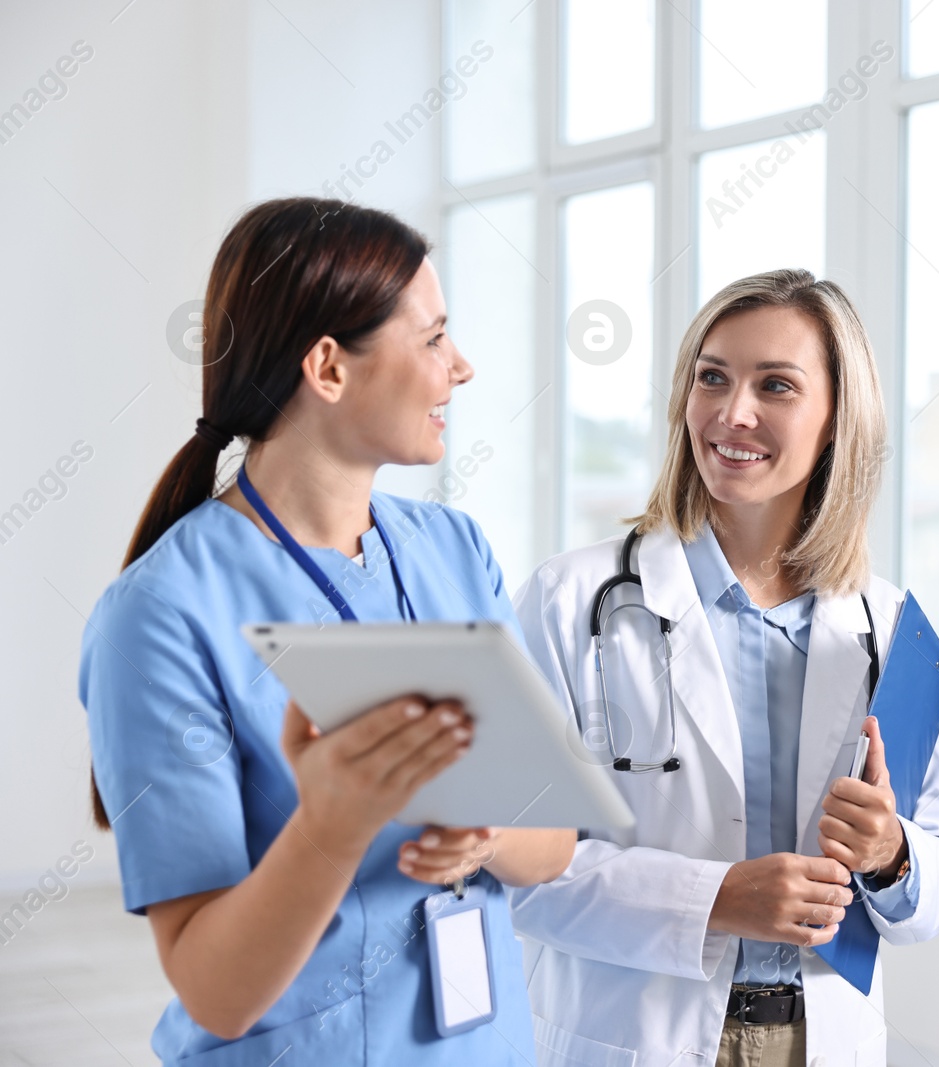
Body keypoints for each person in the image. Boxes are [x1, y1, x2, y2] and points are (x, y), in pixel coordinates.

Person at [79, 197, 574, 1064]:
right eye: (432, 339)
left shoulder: (454, 548)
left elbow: (554, 841)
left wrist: (487, 831)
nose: (461, 367)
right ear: (329, 368)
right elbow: (214, 990)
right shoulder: (160, 614)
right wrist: (332, 827)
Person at [510, 269, 939, 1067]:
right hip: (634, 1032)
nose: (733, 412)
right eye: (712, 377)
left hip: (820, 1036)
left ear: (836, 420)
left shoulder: (889, 627)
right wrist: (717, 898)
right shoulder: (570, 599)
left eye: (777, 385)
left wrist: (891, 852)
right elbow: (516, 862)